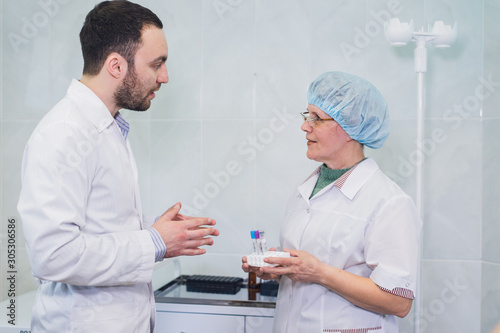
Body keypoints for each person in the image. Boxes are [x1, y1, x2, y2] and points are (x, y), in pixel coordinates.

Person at [17, 1, 219, 332]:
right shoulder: (64, 133)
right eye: (157, 64)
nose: (164, 77)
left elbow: (96, 228)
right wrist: (153, 241)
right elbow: (53, 254)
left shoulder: (108, 129)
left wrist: (152, 230)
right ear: (115, 65)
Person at [242, 71, 421, 332]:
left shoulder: (389, 202)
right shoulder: (304, 190)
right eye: (307, 116)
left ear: (350, 127)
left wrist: (317, 272)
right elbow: (303, 270)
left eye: (316, 118)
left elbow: (398, 302)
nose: (305, 126)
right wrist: (276, 269)